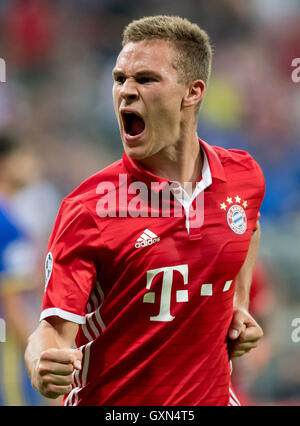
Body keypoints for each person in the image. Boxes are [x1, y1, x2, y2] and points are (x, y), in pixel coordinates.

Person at [24, 15, 265, 406]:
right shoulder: (89, 210)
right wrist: (41, 363)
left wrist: (238, 305)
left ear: (193, 91)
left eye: (146, 79)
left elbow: (248, 226)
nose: (126, 92)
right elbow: (52, 330)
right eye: (120, 79)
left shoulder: (243, 176)